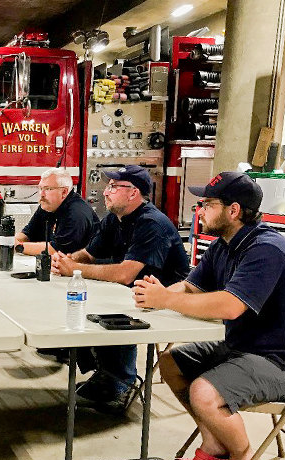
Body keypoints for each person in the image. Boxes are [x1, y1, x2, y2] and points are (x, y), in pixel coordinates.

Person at [132, 171, 285, 460]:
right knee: (172, 363)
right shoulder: (223, 245)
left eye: (208, 204)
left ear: (233, 211)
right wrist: (158, 296)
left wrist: (166, 299)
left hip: (284, 362)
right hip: (244, 347)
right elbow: (191, 287)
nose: (200, 210)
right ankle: (214, 447)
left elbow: (231, 306)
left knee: (205, 392)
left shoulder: (266, 248)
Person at [51, 165, 190, 414]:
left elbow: (126, 273)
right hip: (131, 292)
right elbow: (88, 255)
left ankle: (121, 382)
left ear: (133, 193)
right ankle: (106, 372)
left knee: (112, 308)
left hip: (164, 299)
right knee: (83, 300)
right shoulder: (114, 220)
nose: (106, 192)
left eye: (114, 186)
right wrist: (67, 261)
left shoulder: (152, 223)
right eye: (108, 186)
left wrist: (74, 269)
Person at [15, 168, 99, 256]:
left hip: (82, 266)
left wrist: (18, 246)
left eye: (48, 189)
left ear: (64, 192)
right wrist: (9, 240)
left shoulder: (76, 213)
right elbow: (28, 233)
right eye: (40, 188)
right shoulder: (47, 205)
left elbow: (57, 251)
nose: (41, 194)